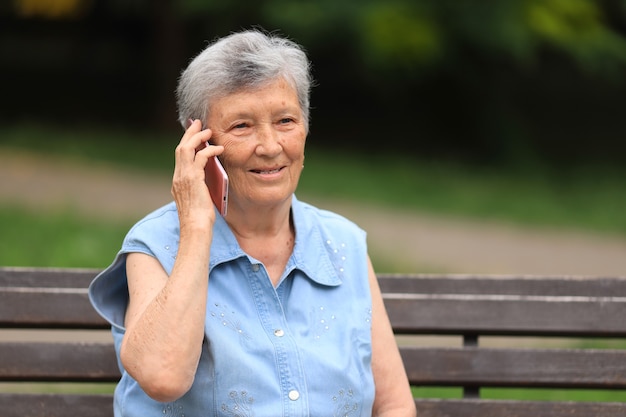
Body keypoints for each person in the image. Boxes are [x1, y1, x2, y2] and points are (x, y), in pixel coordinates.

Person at [89, 29, 416, 417]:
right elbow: (163, 377)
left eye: (285, 120)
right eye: (242, 126)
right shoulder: (157, 244)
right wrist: (196, 227)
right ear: (198, 144)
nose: (270, 145)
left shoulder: (342, 243)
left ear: (306, 129)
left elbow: (394, 405)